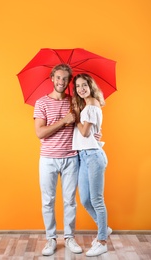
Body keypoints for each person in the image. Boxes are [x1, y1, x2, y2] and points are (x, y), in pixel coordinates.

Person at [33, 64, 83, 256]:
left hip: (71, 158)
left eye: (65, 79)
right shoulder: (41, 103)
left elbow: (83, 128)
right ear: (52, 78)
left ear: (69, 81)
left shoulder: (74, 102)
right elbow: (40, 133)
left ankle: (69, 237)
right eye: (58, 78)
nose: (61, 82)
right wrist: (64, 121)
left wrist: (77, 115)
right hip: (48, 159)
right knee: (48, 201)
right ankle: (51, 239)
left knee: (70, 201)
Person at [72, 73, 112, 257]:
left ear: (90, 86)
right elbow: (91, 133)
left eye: (84, 85)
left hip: (94, 157)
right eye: (78, 86)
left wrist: (75, 119)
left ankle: (102, 241)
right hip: (84, 156)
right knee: (85, 200)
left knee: (96, 200)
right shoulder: (87, 106)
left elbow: (86, 133)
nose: (81, 89)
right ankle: (104, 229)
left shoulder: (91, 105)